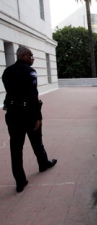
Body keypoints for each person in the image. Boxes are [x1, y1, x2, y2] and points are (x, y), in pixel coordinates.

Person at [2, 47, 57, 193]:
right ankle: (43, 163)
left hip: (13, 114)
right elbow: (33, 94)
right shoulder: (29, 71)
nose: (33, 59)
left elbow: (10, 92)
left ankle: (20, 181)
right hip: (28, 114)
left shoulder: (7, 72)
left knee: (16, 148)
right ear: (23, 56)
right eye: (31, 56)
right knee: (36, 141)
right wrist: (38, 116)